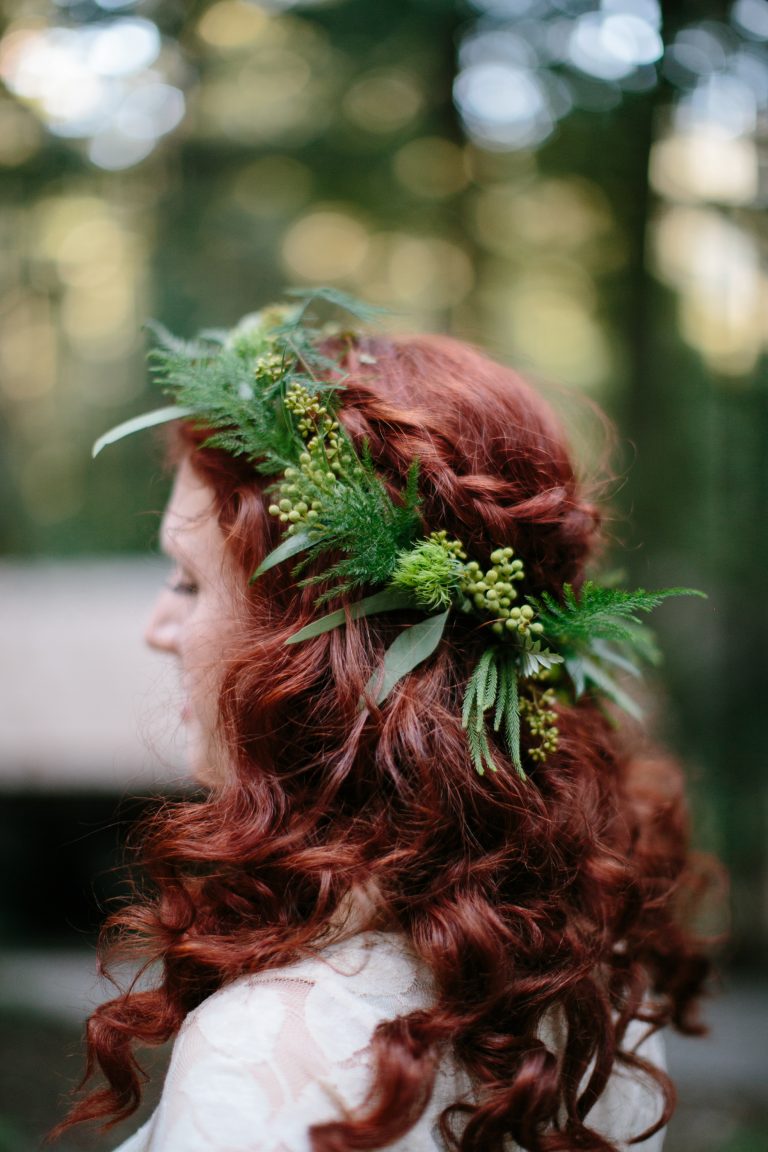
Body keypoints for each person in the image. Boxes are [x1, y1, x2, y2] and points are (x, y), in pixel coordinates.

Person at [60, 294, 711, 1152]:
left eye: (188, 581)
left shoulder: (269, 1047)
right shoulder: (598, 982)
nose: (159, 627)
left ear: (309, 645)